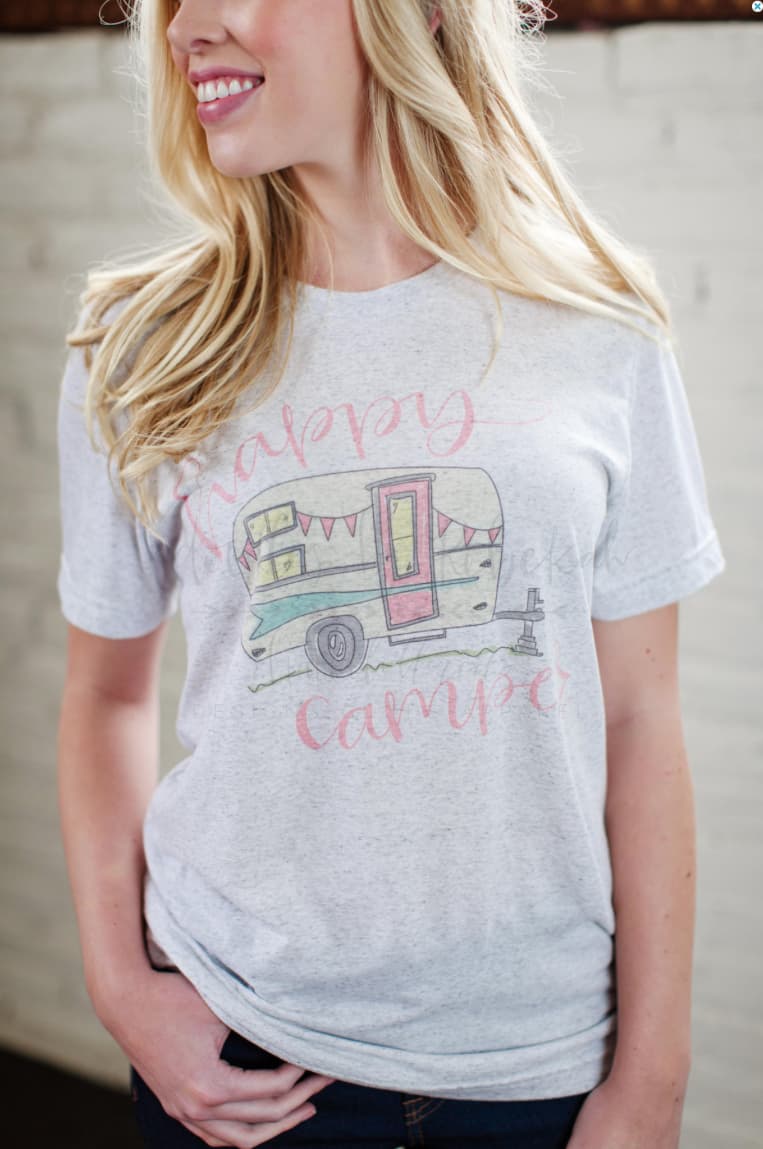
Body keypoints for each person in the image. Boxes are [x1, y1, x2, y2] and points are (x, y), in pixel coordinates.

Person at [55, 1, 727, 1147]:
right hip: (246, 1058)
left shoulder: (597, 321)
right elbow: (106, 694)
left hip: (541, 1070)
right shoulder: (143, 343)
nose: (185, 27)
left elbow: (638, 716)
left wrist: (653, 1077)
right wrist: (120, 986)